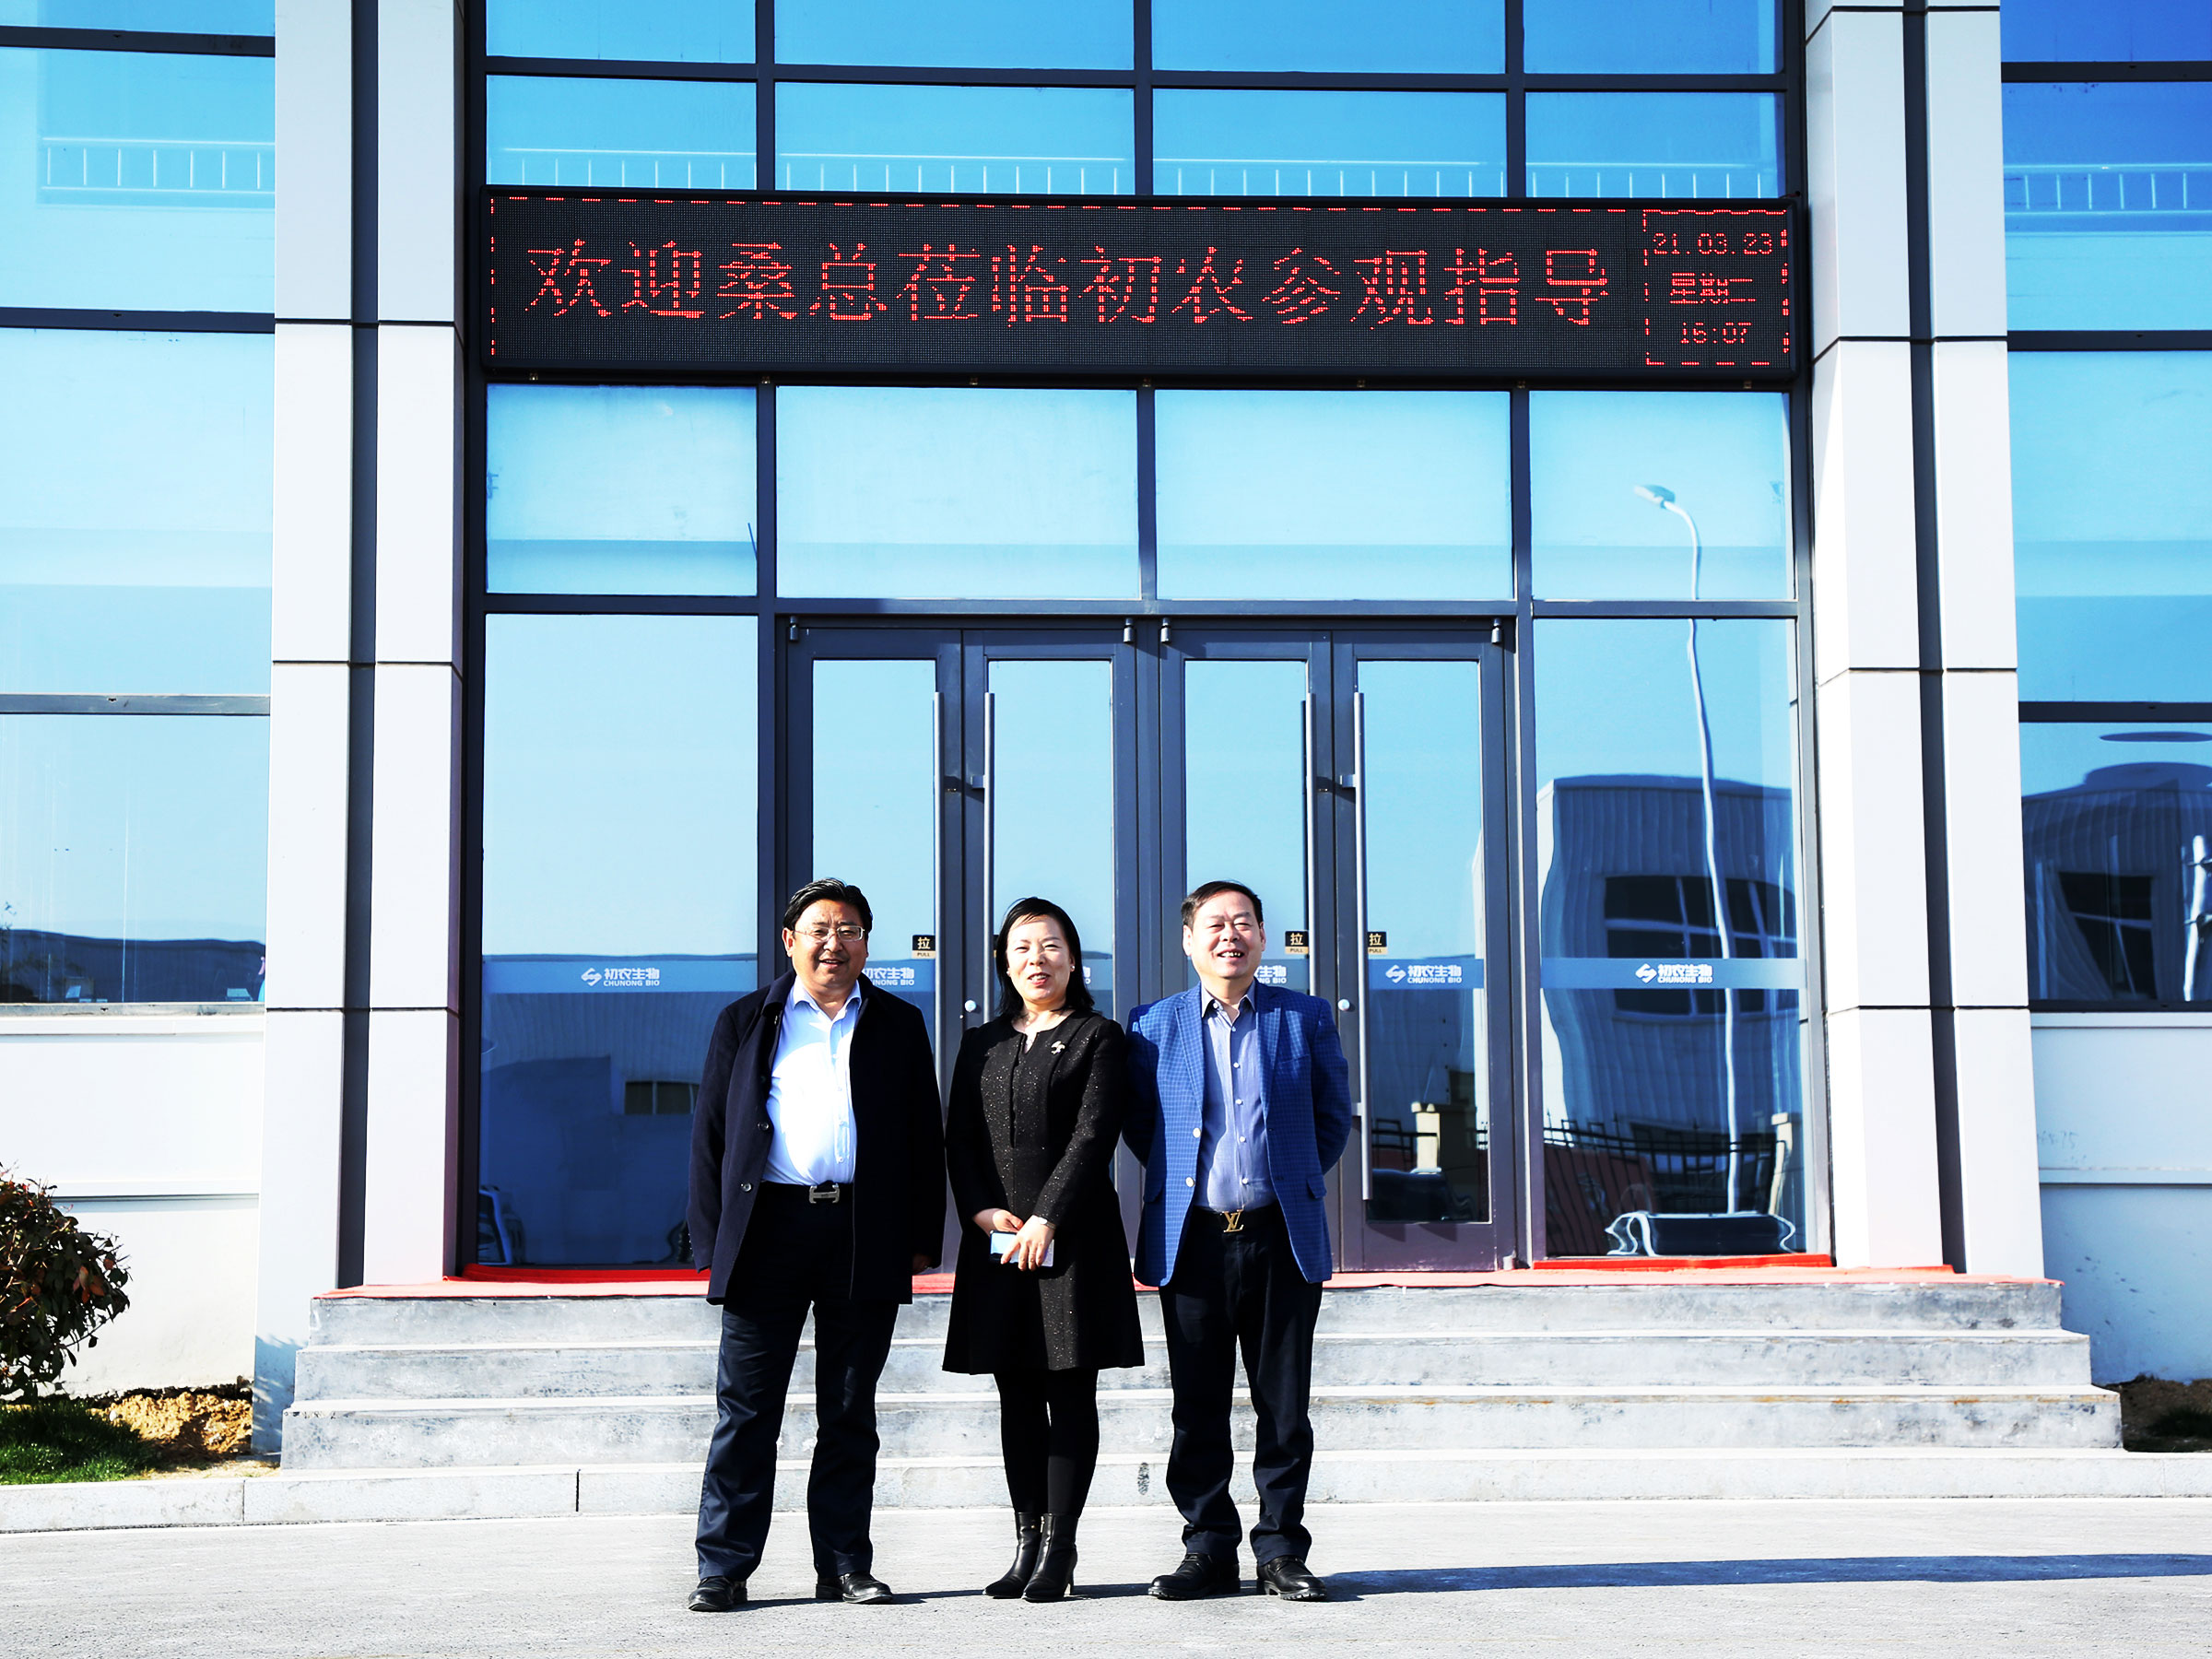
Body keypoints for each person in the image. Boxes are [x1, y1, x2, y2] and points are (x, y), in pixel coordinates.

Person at [685, 877, 946, 1613]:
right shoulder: (746, 1019)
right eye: (821, 930)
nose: (836, 943)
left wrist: (921, 1237)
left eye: (850, 930)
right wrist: (712, 1241)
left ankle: (844, 1564)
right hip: (768, 1230)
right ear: (789, 941)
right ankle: (724, 1568)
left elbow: (923, 1135)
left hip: (864, 1231)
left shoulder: (898, 1022)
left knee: (850, 1408)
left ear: (867, 941)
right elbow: (710, 1135)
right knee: (746, 1411)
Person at [1123, 880, 1352, 1604]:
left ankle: (1281, 1550)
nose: (1231, 935)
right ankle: (1208, 1548)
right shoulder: (1152, 1026)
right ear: (1188, 940)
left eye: (1244, 922)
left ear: (1262, 938)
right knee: (1197, 1407)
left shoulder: (1304, 1017)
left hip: (1280, 1235)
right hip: (1192, 1240)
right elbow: (1141, 1126)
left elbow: (1332, 1117)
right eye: (1215, 924)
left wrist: (1290, 1177)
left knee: (1283, 1407)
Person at [942, 897, 1145, 1602]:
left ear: (1073, 959)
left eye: (1051, 945)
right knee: (1016, 1393)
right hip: (998, 1243)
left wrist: (1046, 1218)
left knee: (1070, 1389)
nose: (1038, 959)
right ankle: (1024, 1543)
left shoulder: (1097, 1036)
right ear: (1004, 962)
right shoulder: (981, 1044)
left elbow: (1094, 1136)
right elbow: (960, 1140)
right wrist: (980, 1210)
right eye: (1023, 947)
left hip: (1075, 1240)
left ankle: (1061, 1547)